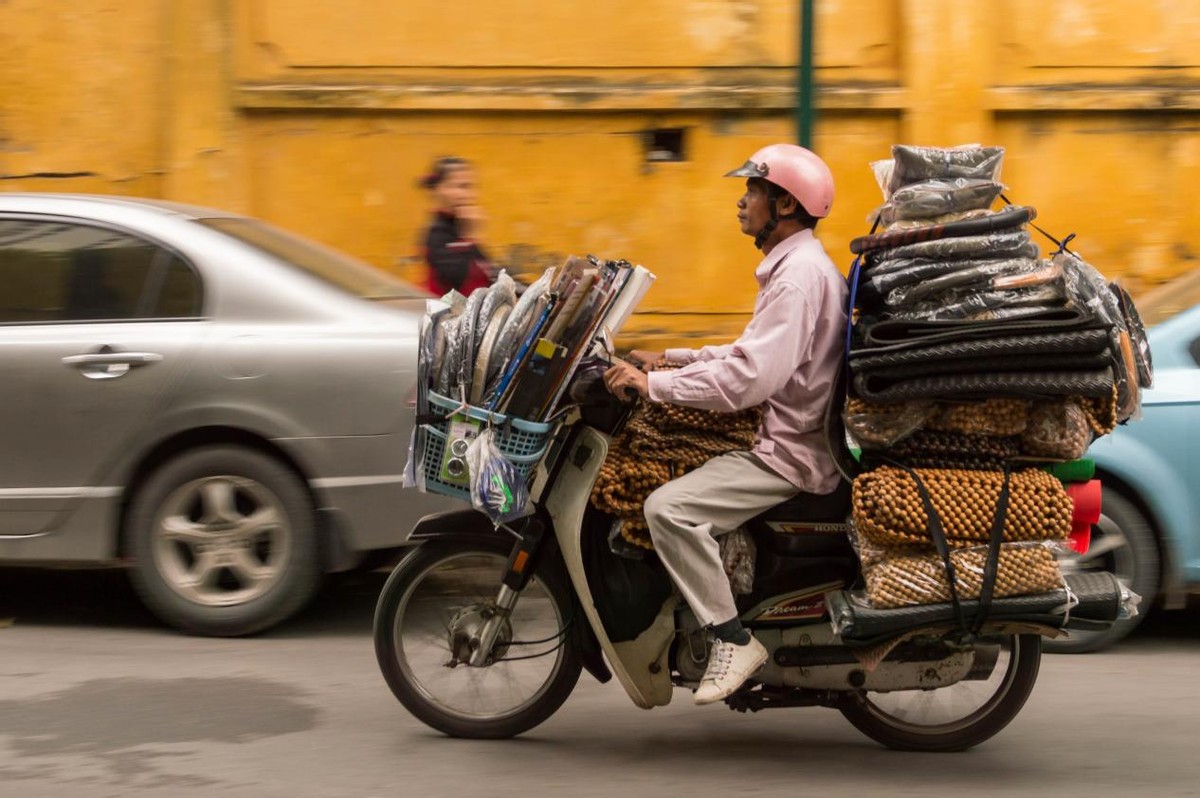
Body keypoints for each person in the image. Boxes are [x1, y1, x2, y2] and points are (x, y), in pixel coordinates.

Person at [603, 144, 848, 705]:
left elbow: (749, 381)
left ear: (784, 203)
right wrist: (673, 357)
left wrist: (655, 386)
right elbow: (749, 354)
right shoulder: (797, 267)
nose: (742, 203)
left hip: (787, 453)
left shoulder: (797, 280)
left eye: (752, 192)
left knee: (666, 509)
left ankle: (730, 638)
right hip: (786, 432)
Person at [419, 156, 495, 296]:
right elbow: (463, 284)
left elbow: (491, 274)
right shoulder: (437, 233)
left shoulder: (458, 227)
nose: (469, 195)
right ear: (440, 189)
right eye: (461, 186)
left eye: (470, 187)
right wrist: (471, 235)